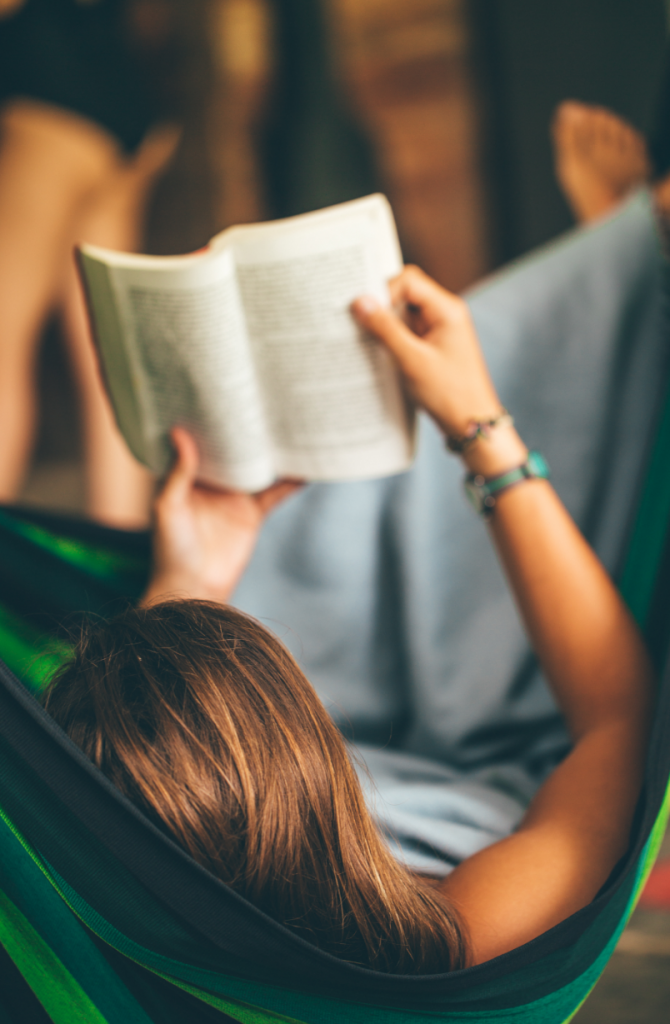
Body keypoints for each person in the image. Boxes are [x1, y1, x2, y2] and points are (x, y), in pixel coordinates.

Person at [41, 254, 655, 971]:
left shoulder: (82, 929)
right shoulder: (452, 944)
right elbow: (618, 722)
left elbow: (141, 819)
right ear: (320, 776)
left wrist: (190, 577)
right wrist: (480, 429)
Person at [0, 0, 180, 526]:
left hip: (52, 103)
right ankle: (123, 575)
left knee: (3, 341)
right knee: (108, 358)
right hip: (125, 96)